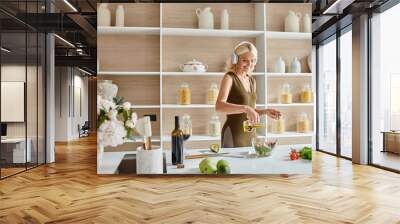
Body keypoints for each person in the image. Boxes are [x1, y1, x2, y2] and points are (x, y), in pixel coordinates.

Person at [215, 41, 281, 147]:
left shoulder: (252, 81)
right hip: (234, 133)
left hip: (251, 134)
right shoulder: (229, 77)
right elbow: (219, 106)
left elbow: (250, 111)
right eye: (245, 60)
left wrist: (265, 111)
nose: (249, 64)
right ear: (235, 60)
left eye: (253, 60)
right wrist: (246, 108)